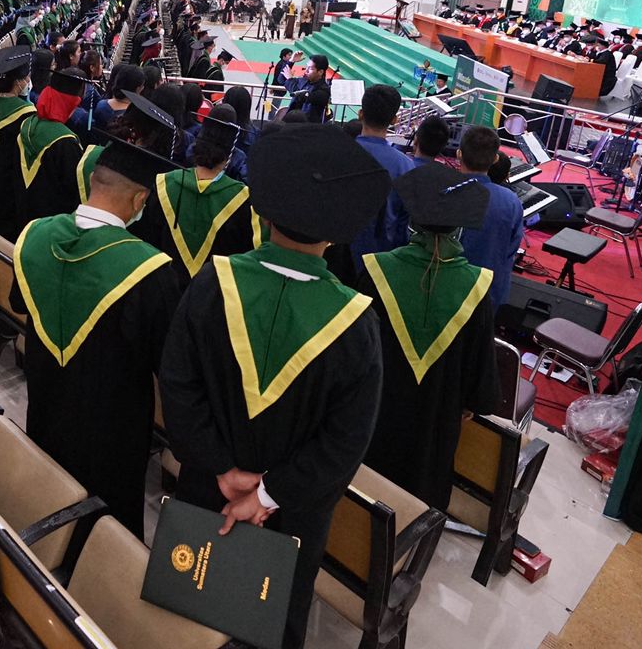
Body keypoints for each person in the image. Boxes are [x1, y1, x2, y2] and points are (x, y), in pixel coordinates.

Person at [160, 124, 388, 649]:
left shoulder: (213, 284)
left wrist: (221, 469)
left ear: (263, 214)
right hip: (292, 515)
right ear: (335, 231)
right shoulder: (356, 324)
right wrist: (267, 494)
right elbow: (345, 444)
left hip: (205, 490)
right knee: (273, 624)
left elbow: (177, 385)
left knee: (190, 609)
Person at [11, 132, 181, 536]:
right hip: (115, 432)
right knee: (109, 521)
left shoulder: (36, 234)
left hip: (45, 402)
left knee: (50, 479)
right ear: (140, 201)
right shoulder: (150, 270)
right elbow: (169, 363)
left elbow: (19, 301)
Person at [360, 164, 500, 508]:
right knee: (423, 484)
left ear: (412, 223)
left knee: (366, 486)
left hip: (374, 411)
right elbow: (478, 382)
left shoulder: (373, 269)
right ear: (458, 229)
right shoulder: (477, 286)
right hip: (436, 419)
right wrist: (467, 403)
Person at [137, 108, 259, 286]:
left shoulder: (164, 183)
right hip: (213, 295)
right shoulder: (242, 200)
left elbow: (147, 238)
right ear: (229, 156)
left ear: (196, 147)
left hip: (160, 288)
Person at [454, 125, 525, 310]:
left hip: (445, 291)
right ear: (495, 159)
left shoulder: (445, 192)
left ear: (459, 154)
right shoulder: (511, 202)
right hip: (489, 294)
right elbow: (511, 249)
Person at [349, 83, 414, 265]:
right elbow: (403, 223)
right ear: (394, 120)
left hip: (335, 254)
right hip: (382, 261)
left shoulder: (338, 152)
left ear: (360, 113)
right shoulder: (406, 166)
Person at [0, 45, 37, 237]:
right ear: (18, 82)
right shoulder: (27, 114)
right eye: (26, 77)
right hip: (10, 185)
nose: (28, 81)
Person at [14, 68, 84, 227]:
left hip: (20, 215)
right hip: (50, 226)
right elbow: (72, 193)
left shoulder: (28, 124)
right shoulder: (66, 142)